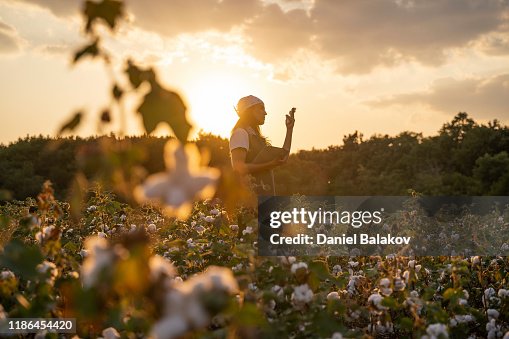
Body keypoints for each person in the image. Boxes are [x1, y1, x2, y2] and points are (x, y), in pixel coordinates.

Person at [229, 95, 295, 195]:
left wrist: (289, 129)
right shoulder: (240, 133)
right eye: (261, 108)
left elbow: (283, 156)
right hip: (250, 198)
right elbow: (238, 168)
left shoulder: (255, 136)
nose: (265, 113)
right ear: (249, 110)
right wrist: (269, 164)